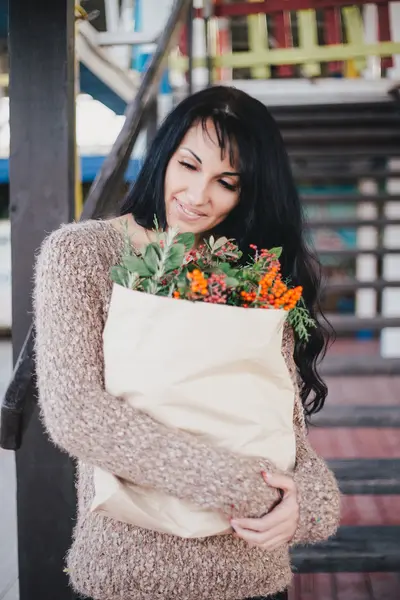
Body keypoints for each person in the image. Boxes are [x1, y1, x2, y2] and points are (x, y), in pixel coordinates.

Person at [33, 86, 340, 600]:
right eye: (189, 165)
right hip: (131, 572)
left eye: (227, 182)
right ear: (163, 155)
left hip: (253, 575)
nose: (199, 196)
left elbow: (283, 426)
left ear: (250, 192)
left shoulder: (256, 271)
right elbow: (77, 413)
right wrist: (248, 490)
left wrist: (308, 503)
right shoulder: (81, 253)